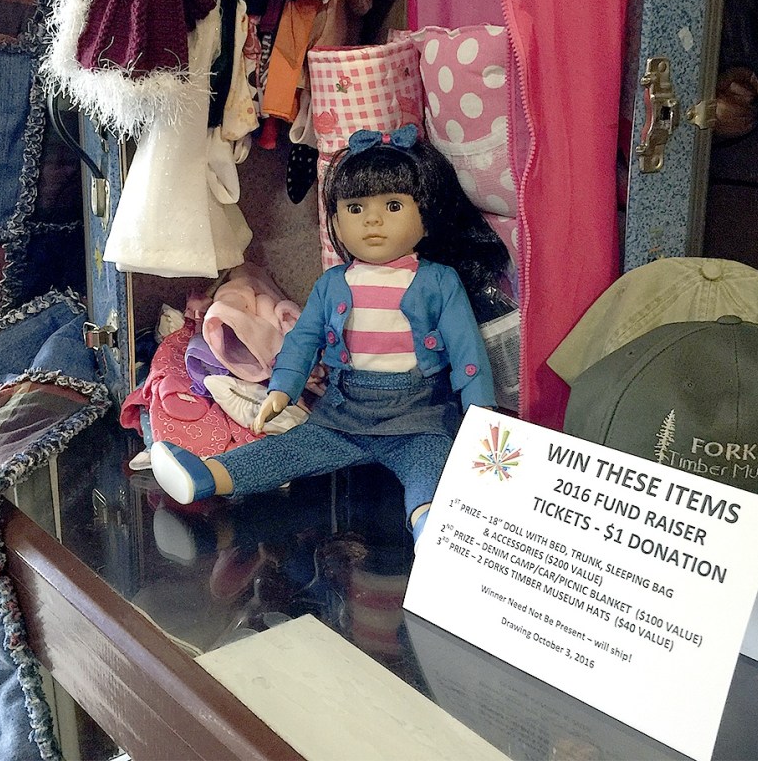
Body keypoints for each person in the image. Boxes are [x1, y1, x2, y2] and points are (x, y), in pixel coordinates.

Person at [151, 124, 509, 541]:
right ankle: (208, 474)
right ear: (335, 220)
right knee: (287, 450)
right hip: (343, 413)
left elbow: (468, 353)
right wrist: (282, 389)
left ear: (426, 217)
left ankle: (429, 527)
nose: (372, 220)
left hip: (418, 417)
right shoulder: (333, 284)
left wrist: (482, 412)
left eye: (393, 206)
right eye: (355, 208)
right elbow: (303, 341)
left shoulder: (439, 282)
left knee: (430, 466)